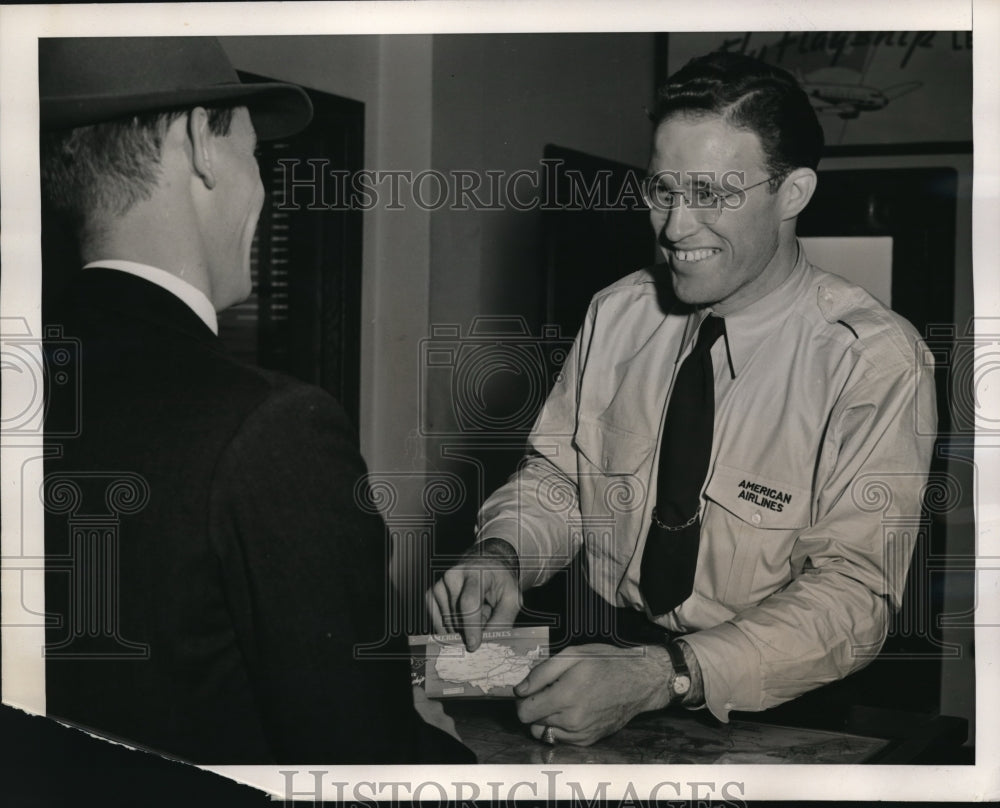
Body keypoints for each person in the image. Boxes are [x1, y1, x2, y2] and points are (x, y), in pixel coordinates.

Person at [429, 51, 937, 746]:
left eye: (710, 194)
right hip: (601, 660)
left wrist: (666, 673)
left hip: (777, 696)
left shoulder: (874, 360)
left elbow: (853, 596)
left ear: (792, 194)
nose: (673, 226)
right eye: (663, 190)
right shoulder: (619, 313)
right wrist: (503, 554)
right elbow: (560, 478)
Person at [40, 37, 472, 765]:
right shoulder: (273, 428)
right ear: (199, 144)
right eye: (255, 156)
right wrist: (439, 746)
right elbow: (361, 764)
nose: (263, 191)